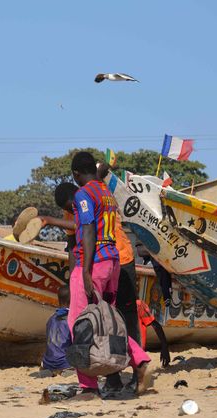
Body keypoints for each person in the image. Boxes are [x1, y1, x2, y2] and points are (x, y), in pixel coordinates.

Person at [69, 151, 151, 395]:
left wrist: (84, 271)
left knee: (80, 323)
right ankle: (140, 360)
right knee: (108, 322)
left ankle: (88, 387)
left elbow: (88, 229)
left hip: (93, 262)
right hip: (113, 261)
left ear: (75, 174)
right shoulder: (106, 192)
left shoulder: (83, 194)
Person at [41, 285, 72, 373]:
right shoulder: (71, 319)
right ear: (71, 301)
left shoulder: (51, 319)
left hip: (48, 363)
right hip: (64, 363)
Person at [136, 299, 170, 367]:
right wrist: (164, 347)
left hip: (135, 352)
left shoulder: (138, 304)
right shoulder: (138, 304)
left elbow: (155, 325)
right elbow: (156, 325)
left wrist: (164, 347)